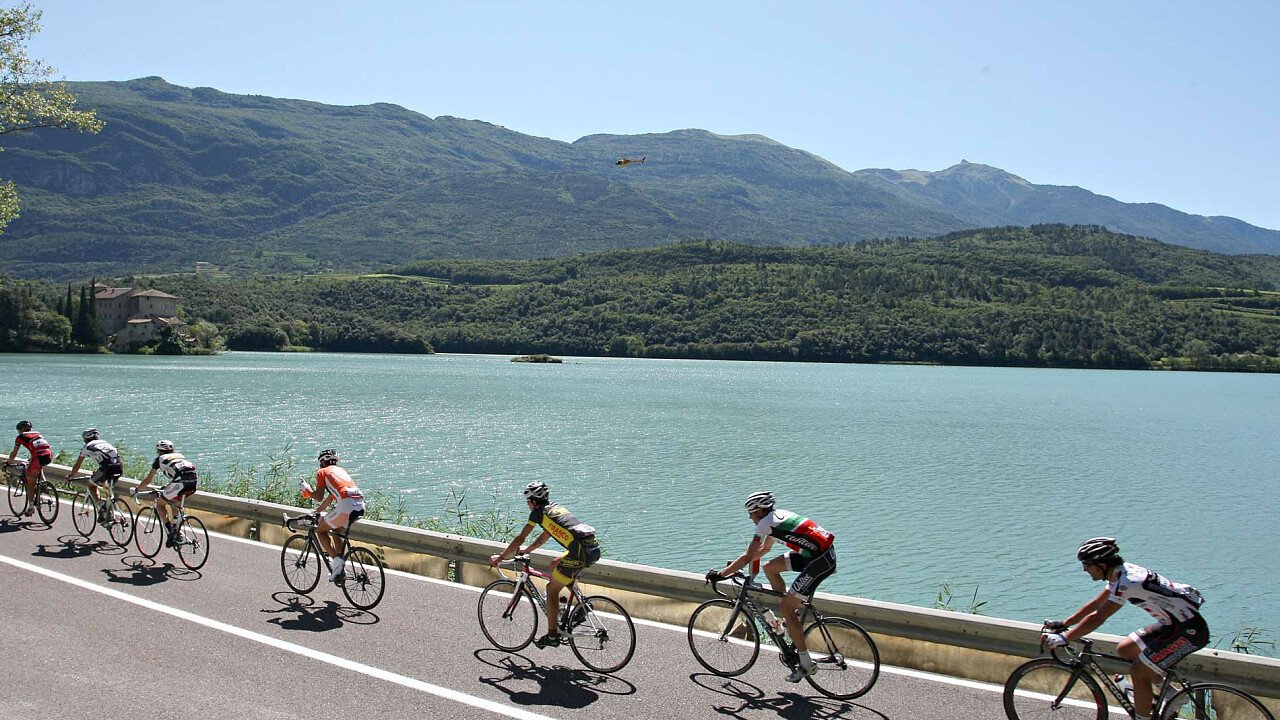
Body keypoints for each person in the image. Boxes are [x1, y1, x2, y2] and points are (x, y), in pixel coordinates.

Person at [1042, 537, 1208, 720]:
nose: (1084, 569)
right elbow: (1098, 603)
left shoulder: (1127, 582)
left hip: (1189, 632)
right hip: (1172, 625)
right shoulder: (1120, 573)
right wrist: (1066, 623)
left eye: (1087, 565)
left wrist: (1066, 638)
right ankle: (1171, 694)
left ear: (1101, 564)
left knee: (1138, 672)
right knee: (1126, 649)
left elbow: (1100, 616)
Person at [707, 490, 837, 683]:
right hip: (815, 555)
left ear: (758, 511)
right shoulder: (776, 518)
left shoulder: (764, 524)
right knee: (770, 568)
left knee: (786, 607)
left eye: (750, 514)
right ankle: (789, 617)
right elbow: (764, 550)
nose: (750, 518)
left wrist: (721, 574)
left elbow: (748, 556)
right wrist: (737, 566)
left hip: (819, 561)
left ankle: (805, 664)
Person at [489, 482, 601, 649]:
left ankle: (552, 635)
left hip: (579, 552)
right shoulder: (554, 510)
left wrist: (502, 557)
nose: (528, 505)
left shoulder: (538, 514)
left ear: (534, 502)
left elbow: (520, 537)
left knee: (551, 589)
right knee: (555, 563)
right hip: (592, 549)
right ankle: (581, 606)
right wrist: (527, 550)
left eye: (528, 502)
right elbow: (543, 537)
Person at [298, 449, 365, 583]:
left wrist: (307, 489)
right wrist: (317, 511)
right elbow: (331, 497)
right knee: (336, 531)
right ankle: (339, 567)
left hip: (345, 507)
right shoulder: (340, 472)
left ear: (323, 461)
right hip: (360, 506)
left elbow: (318, 496)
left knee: (320, 530)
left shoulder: (322, 472)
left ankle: (337, 561)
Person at [133, 440, 199, 546]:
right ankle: (176, 530)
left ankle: (170, 530)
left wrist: (138, 488)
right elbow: (180, 474)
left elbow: (148, 480)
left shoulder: (159, 459)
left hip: (180, 484)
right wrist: (167, 487)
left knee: (160, 503)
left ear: (159, 451)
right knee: (175, 504)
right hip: (193, 483)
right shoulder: (179, 457)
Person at [66, 428, 124, 524]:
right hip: (119, 467)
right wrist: (98, 473)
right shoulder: (105, 443)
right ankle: (108, 510)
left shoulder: (87, 447)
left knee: (91, 485)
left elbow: (77, 464)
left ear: (86, 438)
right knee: (106, 486)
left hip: (107, 468)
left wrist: (71, 475)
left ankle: (102, 506)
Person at [5, 420, 53, 517]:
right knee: (38, 466)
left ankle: (31, 508)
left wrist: (8, 462)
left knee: (30, 484)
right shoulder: (38, 434)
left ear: (21, 430)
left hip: (37, 458)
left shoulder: (20, 437)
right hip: (48, 455)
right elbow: (39, 449)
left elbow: (14, 452)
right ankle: (43, 483)